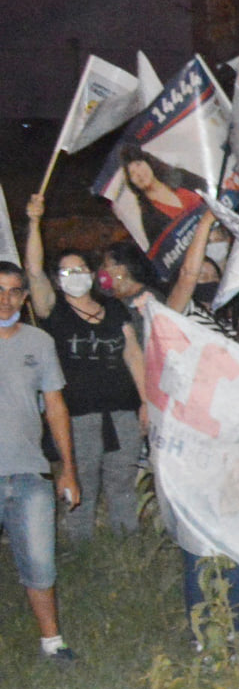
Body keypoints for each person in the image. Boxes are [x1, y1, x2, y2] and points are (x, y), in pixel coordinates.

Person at [24, 196, 145, 541]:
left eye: (81, 270)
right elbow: (33, 270)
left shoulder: (115, 309)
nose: (75, 276)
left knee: (122, 483)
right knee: (81, 485)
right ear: (59, 279)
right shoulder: (55, 311)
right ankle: (81, 551)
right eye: (67, 272)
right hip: (77, 416)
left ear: (92, 275)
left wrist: (146, 401)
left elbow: (133, 354)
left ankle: (127, 548)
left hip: (122, 412)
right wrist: (35, 223)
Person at [0, 264, 80, 663]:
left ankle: (52, 644)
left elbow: (55, 407)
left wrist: (67, 467)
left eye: (15, 292)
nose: (5, 300)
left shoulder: (39, 342)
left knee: (40, 564)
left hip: (28, 471)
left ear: (24, 298)